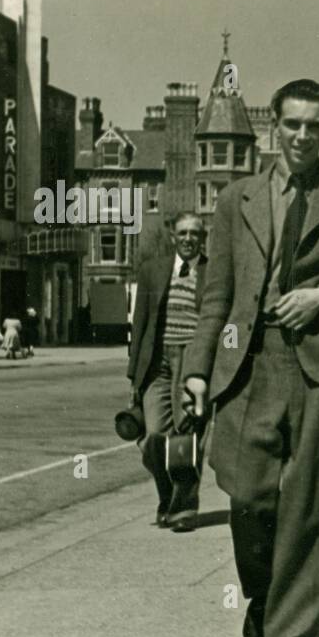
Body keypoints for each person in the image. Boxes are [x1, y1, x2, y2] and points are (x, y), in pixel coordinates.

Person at [182, 78, 319, 637]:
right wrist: (195, 369)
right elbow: (215, 295)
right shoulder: (234, 199)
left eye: (314, 126)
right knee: (249, 493)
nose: (301, 136)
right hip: (248, 363)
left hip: (318, 367)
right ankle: (264, 594)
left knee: (309, 504)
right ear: (276, 125)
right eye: (291, 124)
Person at [128, 212, 209, 532]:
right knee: (153, 439)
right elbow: (140, 323)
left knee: (185, 440)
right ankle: (168, 497)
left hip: (193, 361)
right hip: (157, 362)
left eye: (195, 234)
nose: (188, 238)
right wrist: (134, 378)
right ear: (173, 237)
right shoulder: (152, 270)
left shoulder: (213, 271)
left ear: (203, 239)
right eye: (183, 233)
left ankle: (184, 507)